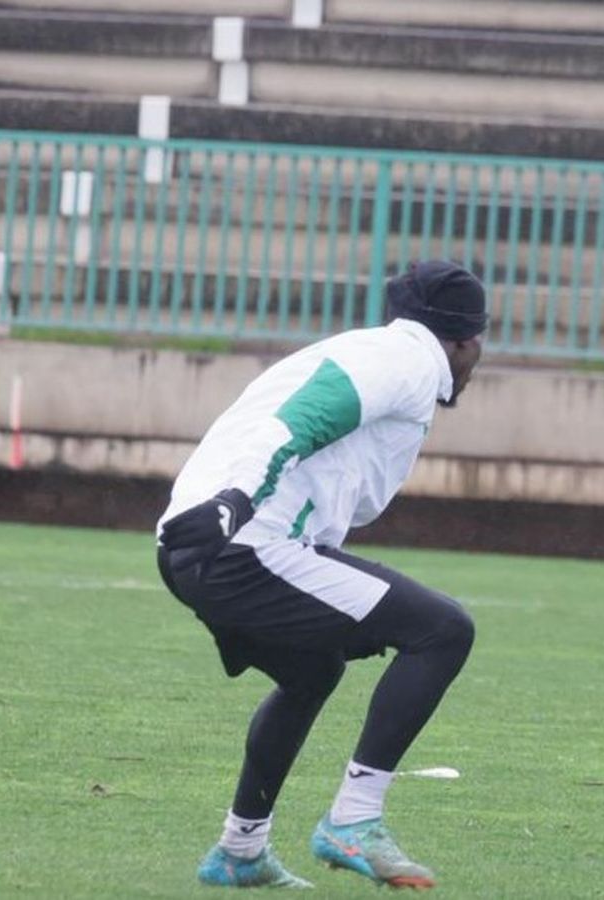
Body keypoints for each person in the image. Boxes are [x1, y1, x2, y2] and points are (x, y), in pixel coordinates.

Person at [155, 260, 487, 889]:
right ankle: (353, 821)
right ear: (469, 340)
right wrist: (236, 502)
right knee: (443, 631)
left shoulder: (367, 350)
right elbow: (298, 424)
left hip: (191, 542)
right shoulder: (409, 364)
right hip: (238, 542)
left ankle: (239, 849)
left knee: (312, 670)